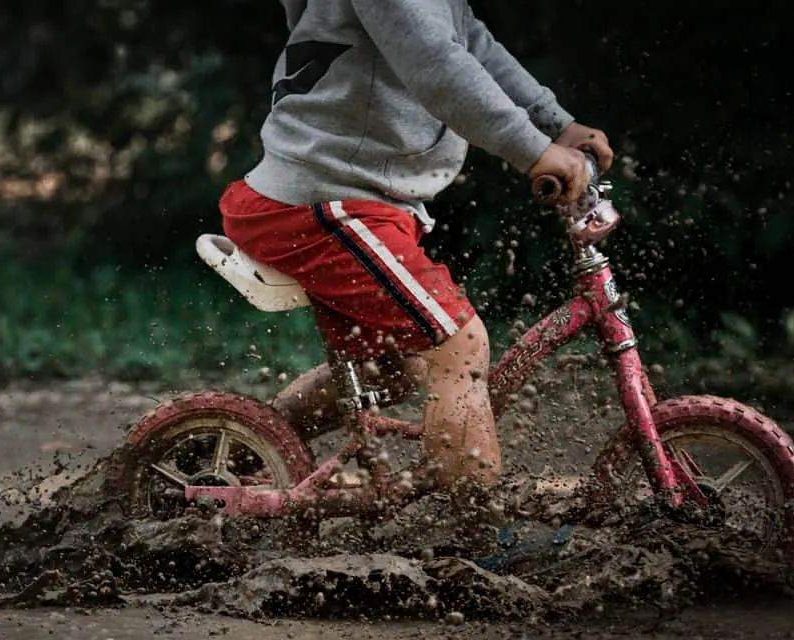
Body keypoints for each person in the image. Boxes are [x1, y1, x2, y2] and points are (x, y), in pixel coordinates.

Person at [219, 0, 614, 515]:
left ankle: (252, 444)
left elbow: (468, 41)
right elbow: (436, 66)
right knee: (458, 346)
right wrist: (531, 149)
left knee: (394, 368)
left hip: (349, 196)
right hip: (323, 201)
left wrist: (553, 124)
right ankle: (476, 535)